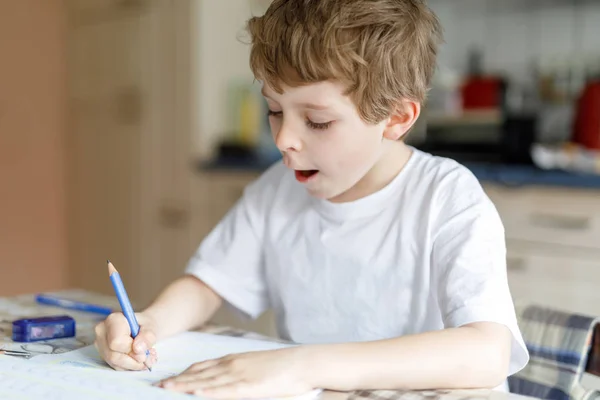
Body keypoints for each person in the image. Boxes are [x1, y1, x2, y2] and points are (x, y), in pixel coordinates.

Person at [94, 0, 529, 398]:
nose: (284, 139)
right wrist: (149, 325)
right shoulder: (275, 190)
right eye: (275, 110)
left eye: (317, 121)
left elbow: (487, 352)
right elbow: (207, 285)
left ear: (396, 117)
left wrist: (303, 364)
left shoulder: (445, 197)